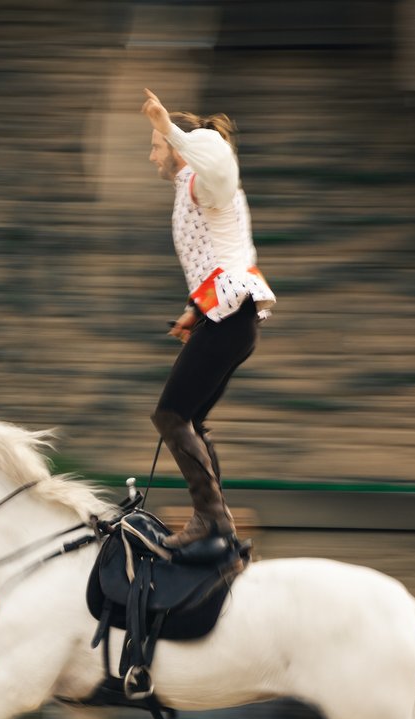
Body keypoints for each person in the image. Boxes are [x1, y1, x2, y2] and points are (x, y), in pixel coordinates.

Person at [141, 88, 276, 549]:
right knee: (189, 419)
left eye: (156, 146)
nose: (152, 154)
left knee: (170, 415)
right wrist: (194, 310)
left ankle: (212, 518)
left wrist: (170, 127)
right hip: (228, 317)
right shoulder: (190, 190)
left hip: (232, 319)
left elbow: (220, 162)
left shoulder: (204, 179)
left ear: (178, 149)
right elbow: (224, 257)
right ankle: (215, 521)